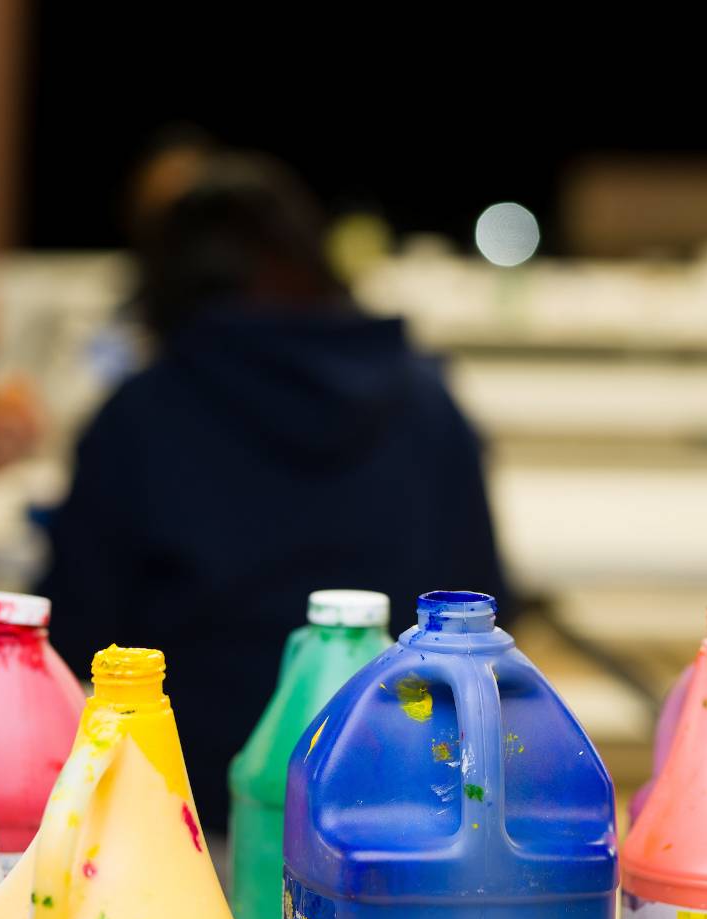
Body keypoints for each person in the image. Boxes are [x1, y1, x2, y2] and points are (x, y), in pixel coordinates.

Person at [40, 152, 510, 833]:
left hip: (188, 823)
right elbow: (486, 606)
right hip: (404, 816)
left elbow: (73, 640)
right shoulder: (427, 405)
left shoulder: (141, 418)